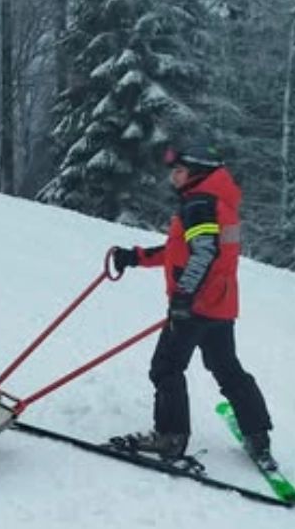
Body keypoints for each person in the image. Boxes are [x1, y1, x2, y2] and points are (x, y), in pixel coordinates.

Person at [111, 134, 276, 470]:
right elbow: (182, 250)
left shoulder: (199, 203)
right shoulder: (219, 202)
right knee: (226, 368)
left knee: (166, 368)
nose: (174, 176)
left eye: (180, 170)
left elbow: (203, 253)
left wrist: (184, 298)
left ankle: (170, 437)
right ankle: (257, 434)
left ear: (198, 171)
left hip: (195, 307)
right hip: (220, 305)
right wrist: (137, 257)